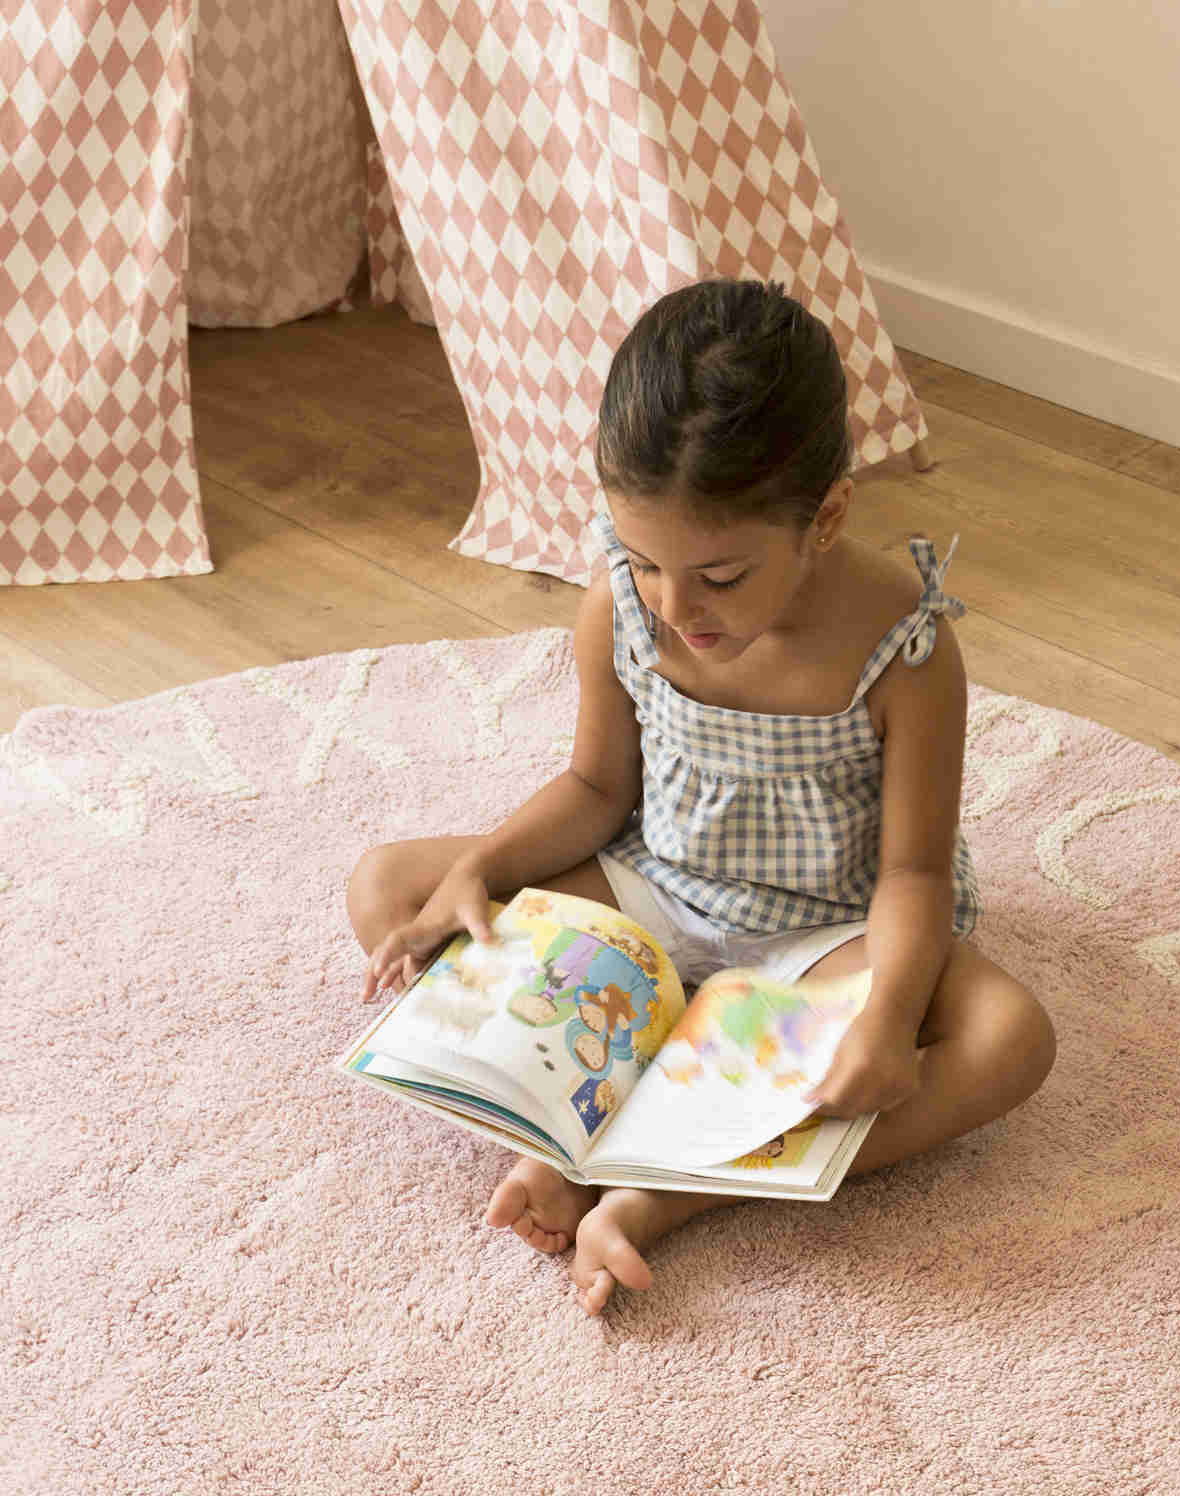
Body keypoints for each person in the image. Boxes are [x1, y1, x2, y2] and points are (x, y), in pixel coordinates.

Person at [346, 278, 1056, 1315]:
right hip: (657, 893)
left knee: (1008, 1040)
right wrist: (480, 871)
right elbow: (595, 788)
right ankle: (574, 1131)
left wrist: (887, 1020)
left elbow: (911, 872)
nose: (678, 609)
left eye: (720, 577)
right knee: (390, 886)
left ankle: (662, 1194)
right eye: (645, 562)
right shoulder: (624, 605)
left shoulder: (904, 646)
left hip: (829, 937)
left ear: (827, 517)